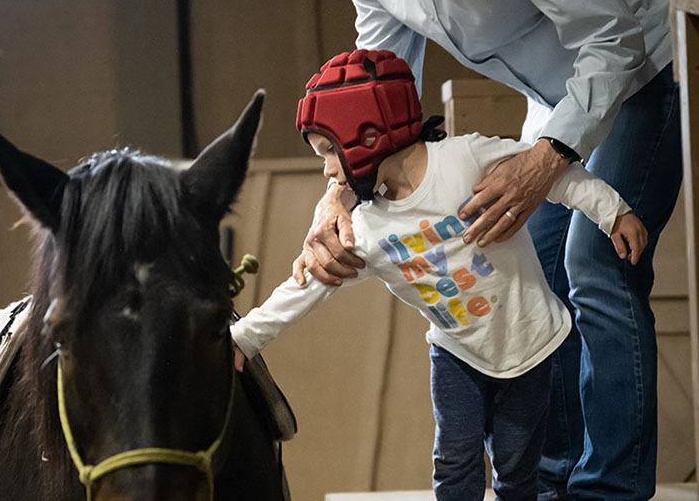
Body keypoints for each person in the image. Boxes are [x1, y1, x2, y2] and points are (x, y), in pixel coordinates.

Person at [260, 0, 682, 500]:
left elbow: (612, 39)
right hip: (560, 97)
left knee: (594, 263)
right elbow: (377, 95)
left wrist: (546, 159)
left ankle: (609, 491)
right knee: (529, 265)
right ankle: (552, 484)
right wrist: (336, 196)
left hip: (649, 65)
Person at [231, 49, 648, 501]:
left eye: (330, 152)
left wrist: (614, 213)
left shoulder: (466, 159)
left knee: (515, 467)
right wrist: (243, 339)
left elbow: (557, 177)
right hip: (456, 356)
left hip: (529, 344)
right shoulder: (366, 228)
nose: (329, 172)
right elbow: (306, 287)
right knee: (453, 463)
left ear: (367, 135)